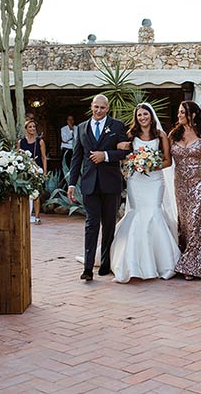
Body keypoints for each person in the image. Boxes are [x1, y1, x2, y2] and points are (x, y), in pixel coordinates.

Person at [110, 103, 180, 283]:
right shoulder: (131, 136)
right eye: (139, 115)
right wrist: (132, 165)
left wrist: (150, 164)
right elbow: (125, 158)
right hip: (136, 181)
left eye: (145, 114)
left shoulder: (161, 135)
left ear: (151, 116)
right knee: (138, 214)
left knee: (154, 212)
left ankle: (162, 261)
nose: (142, 118)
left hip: (155, 180)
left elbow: (168, 161)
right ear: (136, 118)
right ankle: (132, 262)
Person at [67, 94, 128, 281]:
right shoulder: (81, 128)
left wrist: (106, 155)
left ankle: (106, 263)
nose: (98, 110)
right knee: (91, 225)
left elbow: (125, 151)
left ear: (107, 109)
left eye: (102, 108)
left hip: (111, 183)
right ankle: (87, 268)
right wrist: (71, 183)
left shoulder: (117, 126)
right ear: (91, 106)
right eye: (96, 107)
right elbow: (76, 157)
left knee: (109, 225)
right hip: (89, 184)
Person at [169, 101, 201, 280]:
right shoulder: (174, 134)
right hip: (180, 184)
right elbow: (165, 157)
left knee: (196, 220)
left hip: (200, 181)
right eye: (179, 112)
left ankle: (192, 266)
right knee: (184, 222)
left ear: (193, 114)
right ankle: (197, 259)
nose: (179, 115)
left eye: (183, 112)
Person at [18, 120, 47, 224]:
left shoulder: (40, 141)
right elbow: (18, 157)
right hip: (25, 171)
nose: (32, 129)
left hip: (36, 170)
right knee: (25, 194)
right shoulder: (21, 142)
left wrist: (44, 172)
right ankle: (26, 215)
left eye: (34, 127)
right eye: (30, 127)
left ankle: (37, 216)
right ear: (26, 129)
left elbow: (44, 157)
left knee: (36, 194)